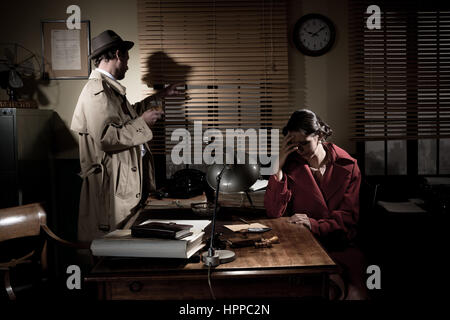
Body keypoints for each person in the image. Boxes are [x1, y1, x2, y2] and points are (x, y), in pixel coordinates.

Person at [71, 30, 181, 242]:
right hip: (112, 188)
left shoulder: (109, 89)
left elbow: (127, 115)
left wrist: (161, 95)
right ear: (118, 55)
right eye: (127, 58)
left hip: (122, 184)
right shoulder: (97, 90)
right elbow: (106, 137)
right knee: (114, 247)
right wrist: (143, 123)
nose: (128, 64)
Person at [264, 109, 368, 300]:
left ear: (319, 135)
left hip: (341, 245)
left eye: (304, 143)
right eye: (294, 145)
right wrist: (277, 167)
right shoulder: (290, 163)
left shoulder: (349, 166)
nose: (299, 150)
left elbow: (347, 219)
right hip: (303, 247)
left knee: (355, 295)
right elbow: (273, 212)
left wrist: (313, 224)